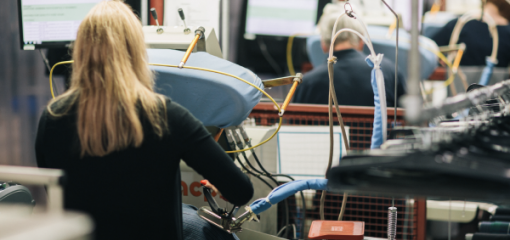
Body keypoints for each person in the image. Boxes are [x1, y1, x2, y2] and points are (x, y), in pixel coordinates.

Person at [35, 1, 253, 240]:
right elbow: (241, 191)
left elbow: (56, 192)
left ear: (80, 51)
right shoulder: (167, 116)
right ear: (138, 51)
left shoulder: (52, 118)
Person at [293, 4, 406, 107]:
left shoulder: (308, 84)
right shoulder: (388, 72)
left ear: (323, 44)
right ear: (361, 40)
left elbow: (293, 127)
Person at [431, 0, 510, 67]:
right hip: (498, 84)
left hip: (459, 83)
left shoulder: (458, 25)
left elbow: (428, 48)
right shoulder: (507, 32)